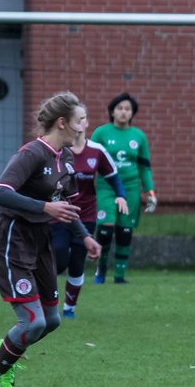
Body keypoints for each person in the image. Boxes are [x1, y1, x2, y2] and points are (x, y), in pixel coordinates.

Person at [0, 92, 103, 387]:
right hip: (13, 239)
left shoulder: (67, 158)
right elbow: (1, 193)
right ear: (62, 123)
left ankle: (10, 346)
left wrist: (84, 235)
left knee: (52, 320)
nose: (84, 126)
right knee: (32, 321)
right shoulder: (32, 153)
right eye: (79, 120)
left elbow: (65, 206)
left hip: (40, 241)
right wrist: (45, 208)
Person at [52, 119, 128, 318]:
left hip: (85, 214)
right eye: (74, 120)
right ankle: (47, 302)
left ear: (86, 124)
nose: (78, 123)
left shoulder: (96, 151)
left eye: (82, 119)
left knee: (77, 261)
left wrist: (121, 195)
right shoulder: (58, 149)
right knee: (58, 260)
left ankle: (69, 308)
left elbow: (113, 177)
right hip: (59, 213)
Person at [91, 92, 156, 284]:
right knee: (106, 228)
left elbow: (145, 167)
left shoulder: (139, 136)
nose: (123, 112)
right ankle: (100, 270)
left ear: (132, 113)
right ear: (112, 111)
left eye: (127, 109)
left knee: (125, 231)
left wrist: (150, 192)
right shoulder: (101, 133)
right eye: (119, 108)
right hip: (106, 186)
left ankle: (119, 276)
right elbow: (90, 161)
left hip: (131, 188)